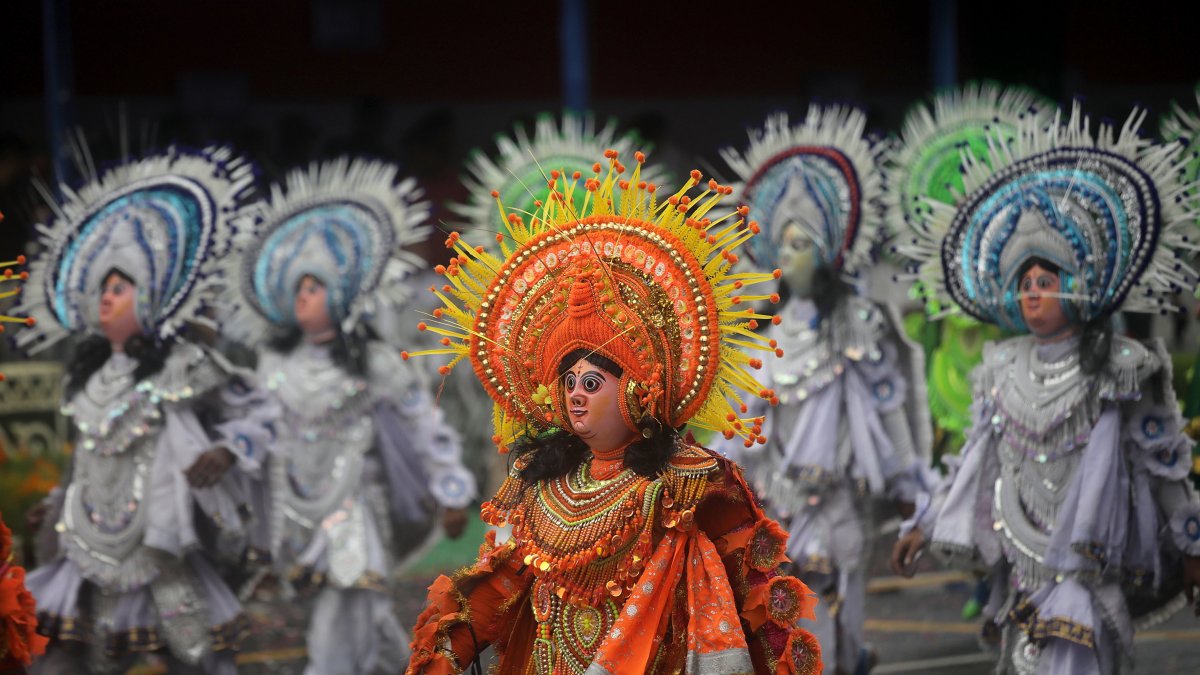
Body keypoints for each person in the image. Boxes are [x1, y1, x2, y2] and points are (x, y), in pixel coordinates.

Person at [403, 151, 823, 674]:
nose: (576, 394)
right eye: (569, 382)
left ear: (639, 392)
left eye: (594, 382)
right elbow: (504, 582)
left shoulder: (688, 483)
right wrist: (448, 648)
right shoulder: (543, 484)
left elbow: (751, 598)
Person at [890, 103, 1200, 674]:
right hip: (1021, 573)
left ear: (1079, 286)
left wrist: (1192, 546)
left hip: (1091, 573)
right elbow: (972, 463)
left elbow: (1165, 464)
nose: (1032, 293)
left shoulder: (1125, 368)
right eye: (1024, 283)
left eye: (1046, 280)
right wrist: (923, 523)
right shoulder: (1001, 366)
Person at [14, 145, 275, 674]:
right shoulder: (86, 378)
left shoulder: (188, 366)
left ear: (154, 294)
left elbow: (258, 414)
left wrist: (228, 450)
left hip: (163, 548)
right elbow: (89, 461)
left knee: (199, 657)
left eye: (119, 287)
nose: (105, 299)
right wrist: (59, 501)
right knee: (63, 658)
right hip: (85, 546)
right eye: (101, 289)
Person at [224, 157, 476, 675]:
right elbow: (257, 425)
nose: (303, 300)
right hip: (296, 507)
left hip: (359, 502)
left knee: (346, 610)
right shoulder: (277, 362)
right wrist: (230, 452)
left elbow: (422, 425)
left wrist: (450, 490)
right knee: (364, 615)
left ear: (339, 295)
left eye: (313, 289)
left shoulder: (376, 362)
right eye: (297, 290)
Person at [716, 104, 932, 675]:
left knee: (841, 623)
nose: (787, 256)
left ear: (829, 249)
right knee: (785, 630)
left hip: (840, 505)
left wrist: (912, 487)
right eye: (781, 246)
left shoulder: (859, 326)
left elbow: (890, 413)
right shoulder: (767, 338)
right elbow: (742, 425)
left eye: (799, 244)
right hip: (780, 504)